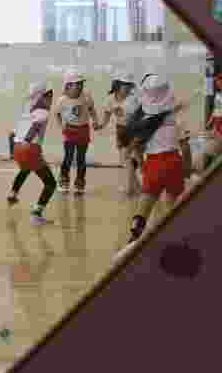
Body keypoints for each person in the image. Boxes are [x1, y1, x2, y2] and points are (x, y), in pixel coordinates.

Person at [117, 74, 187, 255]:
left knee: (143, 210)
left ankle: (132, 243)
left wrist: (142, 165)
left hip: (153, 164)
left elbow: (137, 148)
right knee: (170, 208)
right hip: (174, 163)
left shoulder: (142, 121)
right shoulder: (176, 119)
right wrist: (186, 168)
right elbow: (185, 148)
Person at [7, 82, 59, 224]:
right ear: (40, 98)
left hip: (17, 148)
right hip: (30, 148)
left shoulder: (25, 112)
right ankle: (36, 214)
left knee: (25, 169)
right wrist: (28, 140)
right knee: (51, 184)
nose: (50, 100)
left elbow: (12, 134)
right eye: (48, 96)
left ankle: (13, 193)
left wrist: (13, 152)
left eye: (51, 96)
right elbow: (37, 125)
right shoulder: (42, 112)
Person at [54, 68, 103, 194]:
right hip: (69, 131)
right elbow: (57, 114)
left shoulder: (86, 96)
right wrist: (61, 127)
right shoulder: (62, 100)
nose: (80, 85)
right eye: (77, 83)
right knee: (68, 157)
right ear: (68, 85)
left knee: (81, 158)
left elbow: (92, 109)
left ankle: (80, 183)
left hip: (83, 130)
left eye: (81, 83)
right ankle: (63, 181)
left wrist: (95, 121)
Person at [97, 72, 139, 195]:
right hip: (120, 130)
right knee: (126, 161)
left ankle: (130, 189)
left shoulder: (134, 99)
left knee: (128, 160)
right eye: (124, 84)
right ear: (117, 84)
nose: (126, 87)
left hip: (134, 130)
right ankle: (137, 187)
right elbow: (106, 118)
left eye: (129, 84)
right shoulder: (110, 99)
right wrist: (100, 125)